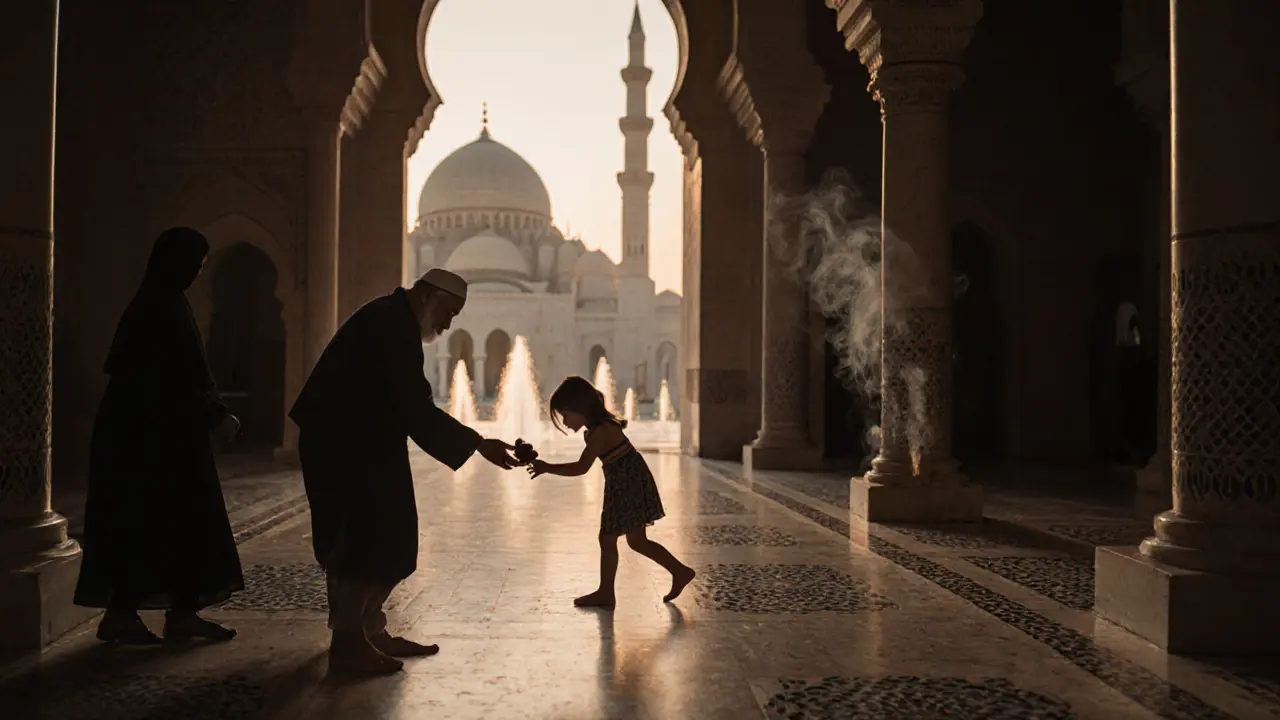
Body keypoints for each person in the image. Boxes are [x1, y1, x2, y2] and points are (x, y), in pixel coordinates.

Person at [290, 268, 519, 676]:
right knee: (364, 538)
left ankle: (369, 631)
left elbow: (407, 404)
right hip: (343, 444)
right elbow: (414, 407)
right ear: (428, 295)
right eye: (447, 312)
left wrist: (472, 442)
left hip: (363, 440)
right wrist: (478, 443)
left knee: (387, 536)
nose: (448, 325)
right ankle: (348, 644)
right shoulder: (390, 325)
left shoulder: (392, 319)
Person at [74, 226, 244, 644]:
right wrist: (215, 414)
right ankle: (166, 615)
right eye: (195, 265)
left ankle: (139, 614)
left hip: (147, 435)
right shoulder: (162, 306)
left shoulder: (156, 301)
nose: (197, 274)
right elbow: (174, 374)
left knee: (152, 523)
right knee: (170, 520)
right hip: (156, 439)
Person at [527, 376, 696, 609]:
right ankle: (671, 573)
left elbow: (581, 467)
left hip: (628, 484)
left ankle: (669, 574)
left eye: (566, 415)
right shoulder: (597, 429)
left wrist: (547, 467)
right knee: (628, 540)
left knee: (619, 539)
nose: (565, 422)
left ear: (580, 408)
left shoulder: (600, 432)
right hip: (623, 483)